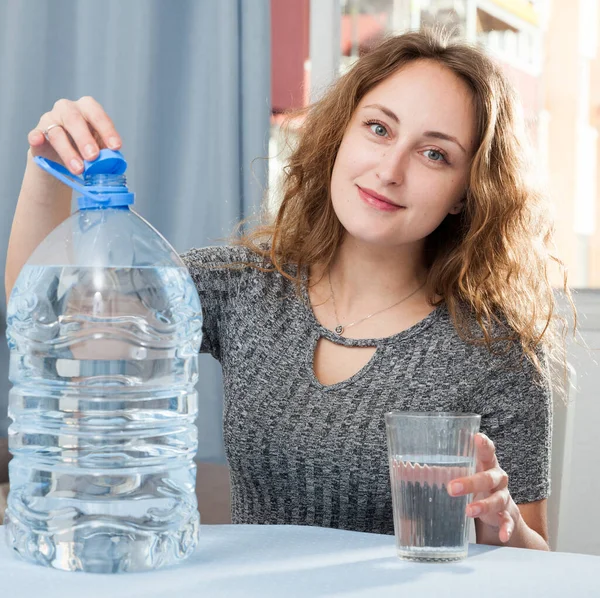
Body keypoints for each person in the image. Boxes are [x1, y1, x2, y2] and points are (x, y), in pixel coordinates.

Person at [5, 29, 573, 551]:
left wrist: (506, 524)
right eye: (378, 128)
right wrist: (46, 171)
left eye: (434, 153)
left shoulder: (497, 352)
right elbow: (60, 328)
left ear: (465, 192)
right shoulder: (245, 288)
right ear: (339, 136)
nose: (390, 168)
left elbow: (537, 559)